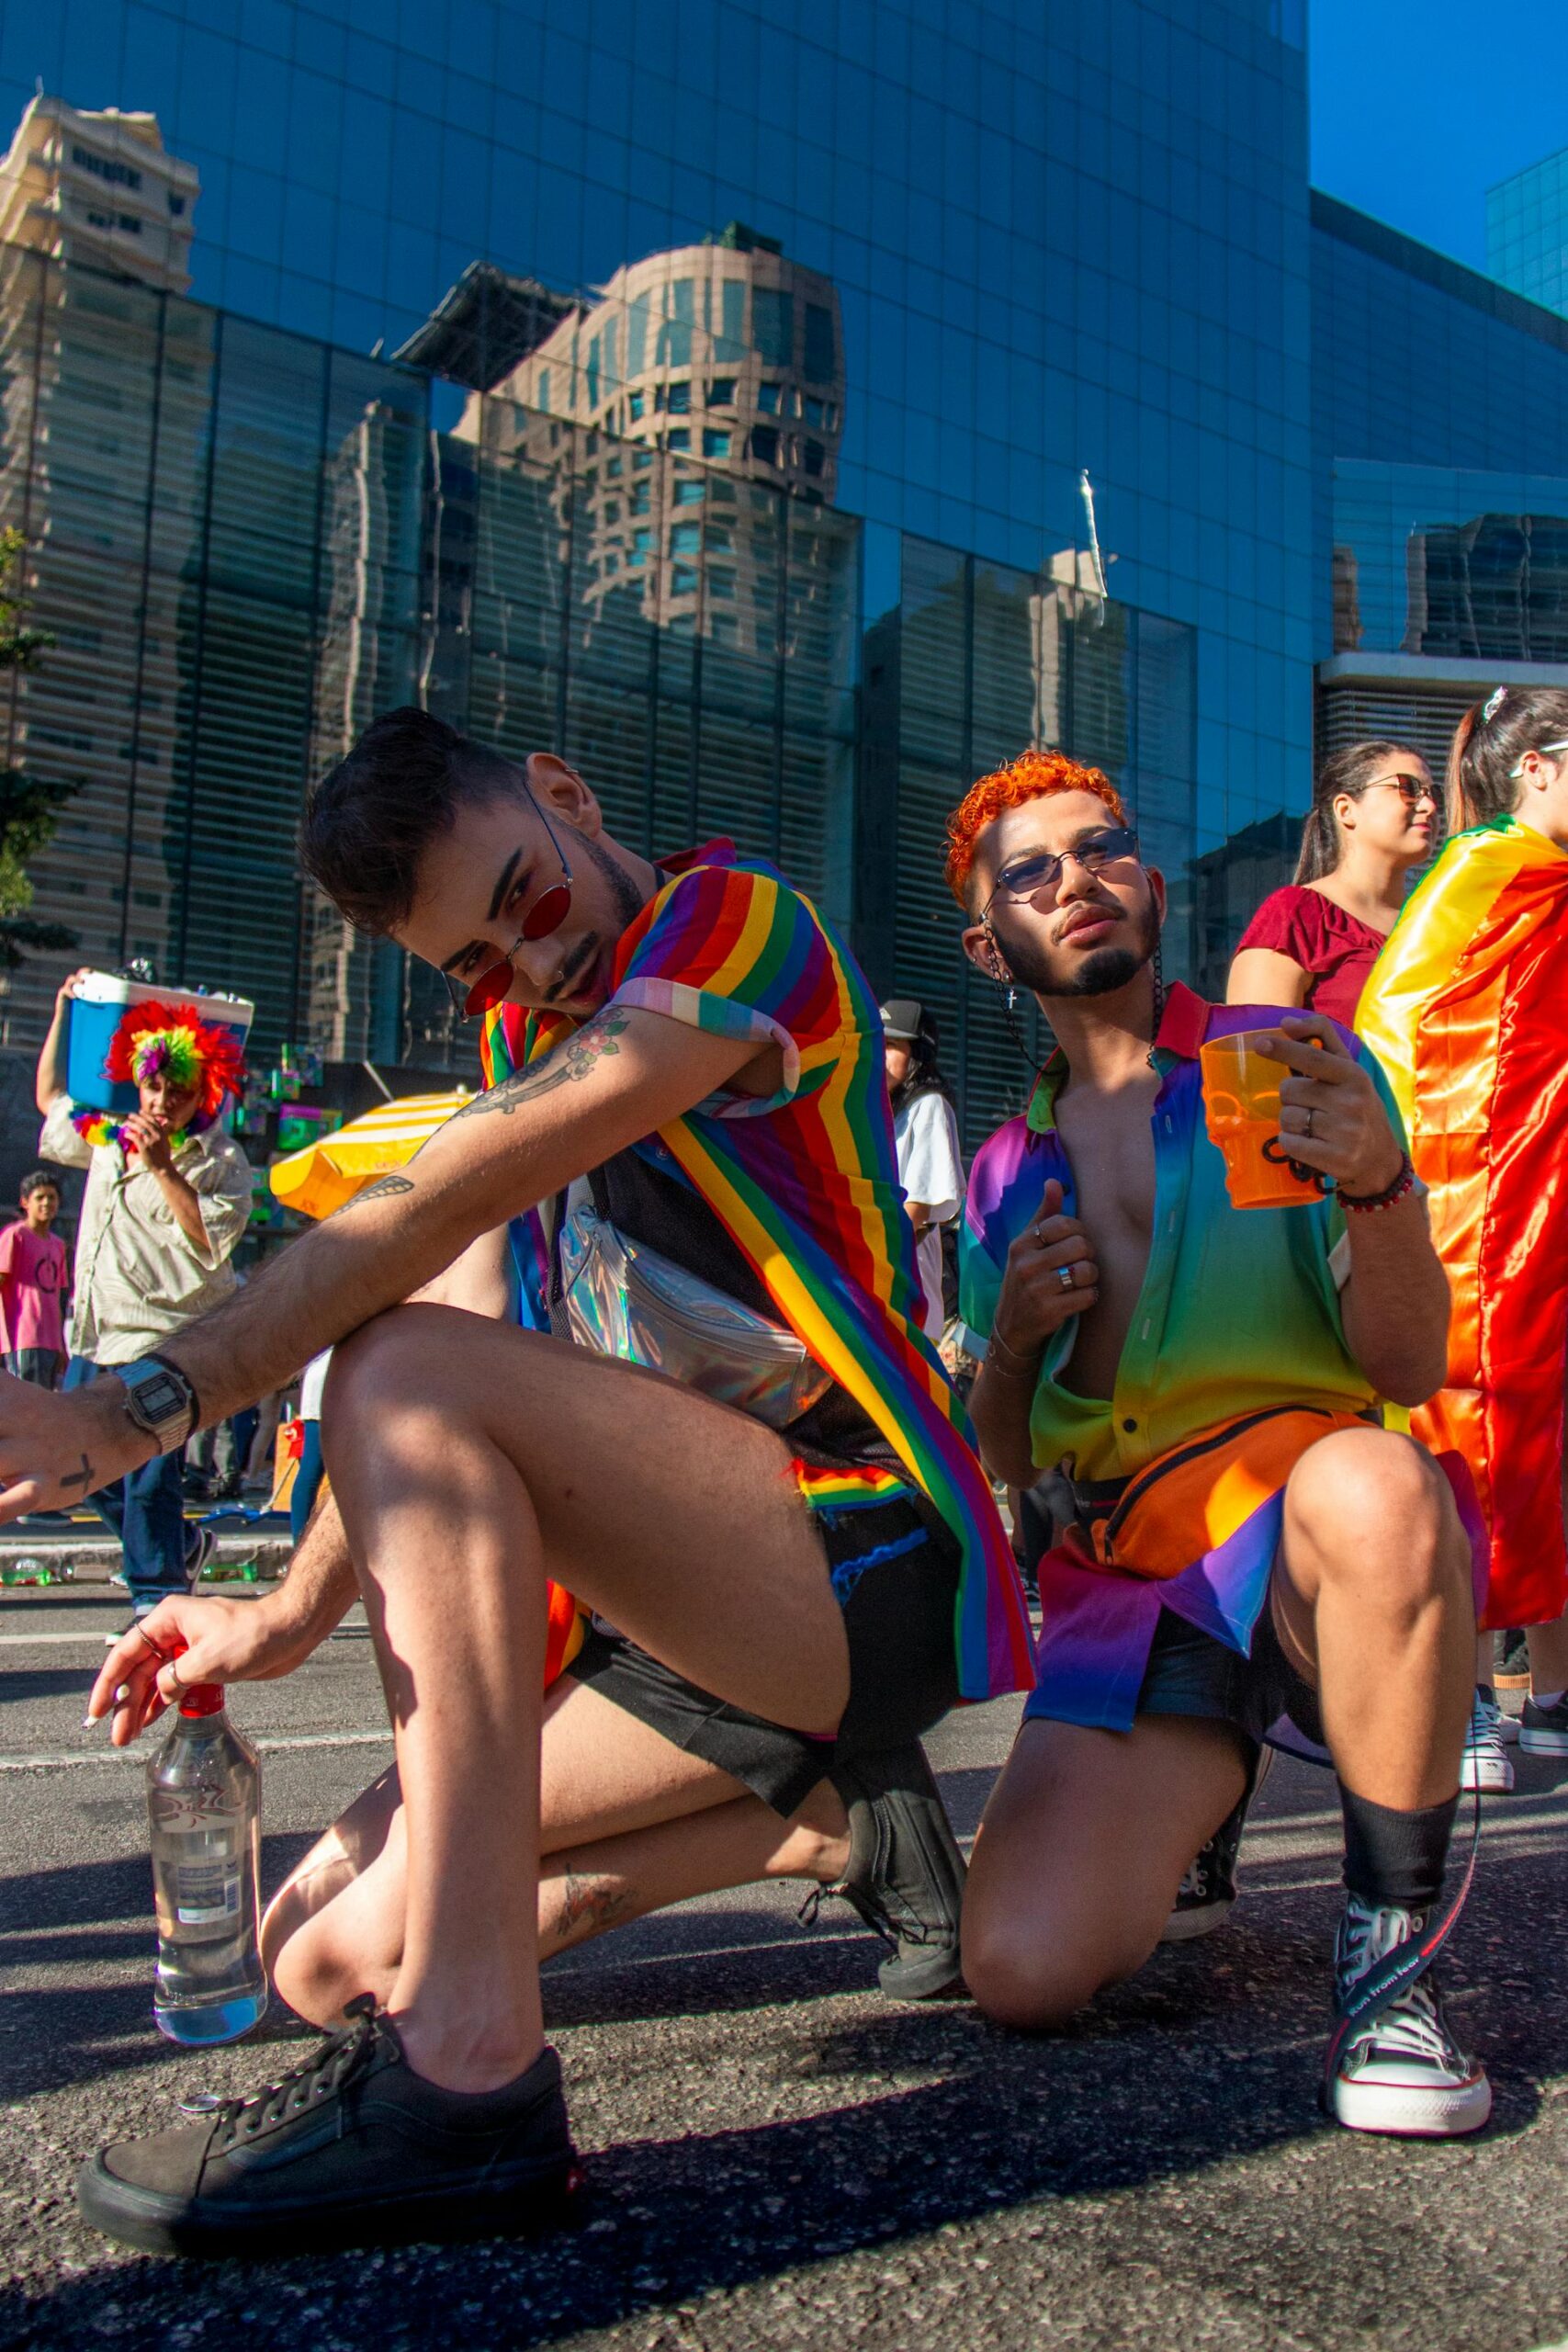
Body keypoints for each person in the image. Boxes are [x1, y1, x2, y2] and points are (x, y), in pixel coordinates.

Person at [1, 707, 1032, 2257]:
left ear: (564, 794)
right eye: (478, 965)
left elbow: (438, 1213)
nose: (533, 967)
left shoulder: (736, 927)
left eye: (525, 901)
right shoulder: (519, 1036)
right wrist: (277, 1619)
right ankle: (828, 1820)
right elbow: (465, 1303)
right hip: (661, 1612)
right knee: (312, 1963)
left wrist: (134, 1406)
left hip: (847, 1551)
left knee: (399, 1366)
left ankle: (471, 2076)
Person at [946, 746, 1487, 2139]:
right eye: (1030, 872)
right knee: (1020, 1970)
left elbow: (1404, 1368)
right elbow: (1006, 1454)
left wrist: (1378, 1186)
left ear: (1150, 886)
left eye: (1101, 848)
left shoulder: (1260, 1068)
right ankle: (1207, 1794)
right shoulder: (1004, 1168)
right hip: (1138, 1593)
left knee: (1375, 1479)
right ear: (989, 944)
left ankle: (1394, 1951)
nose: (1074, 879)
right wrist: (1013, 1342)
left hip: (1313, 1540)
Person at [1357, 685, 1568, 1795]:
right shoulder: (1491, 865)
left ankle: (1554, 1696)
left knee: (1545, 1440)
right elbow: (1398, 1023)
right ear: (1537, 768)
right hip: (1475, 1199)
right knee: (1473, 1429)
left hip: (1544, 1189)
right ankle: (1471, 1692)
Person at [33, 975, 252, 1621]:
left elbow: (209, 1241)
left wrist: (163, 1167)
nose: (162, 1102)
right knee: (73, 1465)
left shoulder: (222, 1160)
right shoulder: (107, 1136)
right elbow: (50, 1098)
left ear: (202, 1094)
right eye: (154, 1087)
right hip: (96, 1332)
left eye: (178, 1093)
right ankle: (181, 1546)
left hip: (170, 1341)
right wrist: (64, 1011)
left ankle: (156, 1602)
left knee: (150, 1476)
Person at [1227, 742, 1438, 1024]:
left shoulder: (1437, 927)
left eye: (1433, 794)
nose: (1429, 806)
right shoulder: (1297, 915)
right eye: (1408, 788)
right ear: (1345, 809)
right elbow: (1257, 1045)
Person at [881, 997, 965, 1340]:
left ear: (919, 1054)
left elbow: (916, 1207)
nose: (879, 1055)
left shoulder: (929, 1105)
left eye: (891, 1045)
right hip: (877, 1284)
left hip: (905, 1288)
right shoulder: (883, 1109)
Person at [0, 1170, 68, 1389]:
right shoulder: (15, 1236)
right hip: (23, 1339)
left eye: (52, 1197)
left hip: (51, 1344)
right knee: (26, 1403)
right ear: (25, 1202)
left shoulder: (58, 1245)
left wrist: (61, 1345)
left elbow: (56, 1297)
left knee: (47, 1403)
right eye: (40, 1197)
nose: (46, 1203)